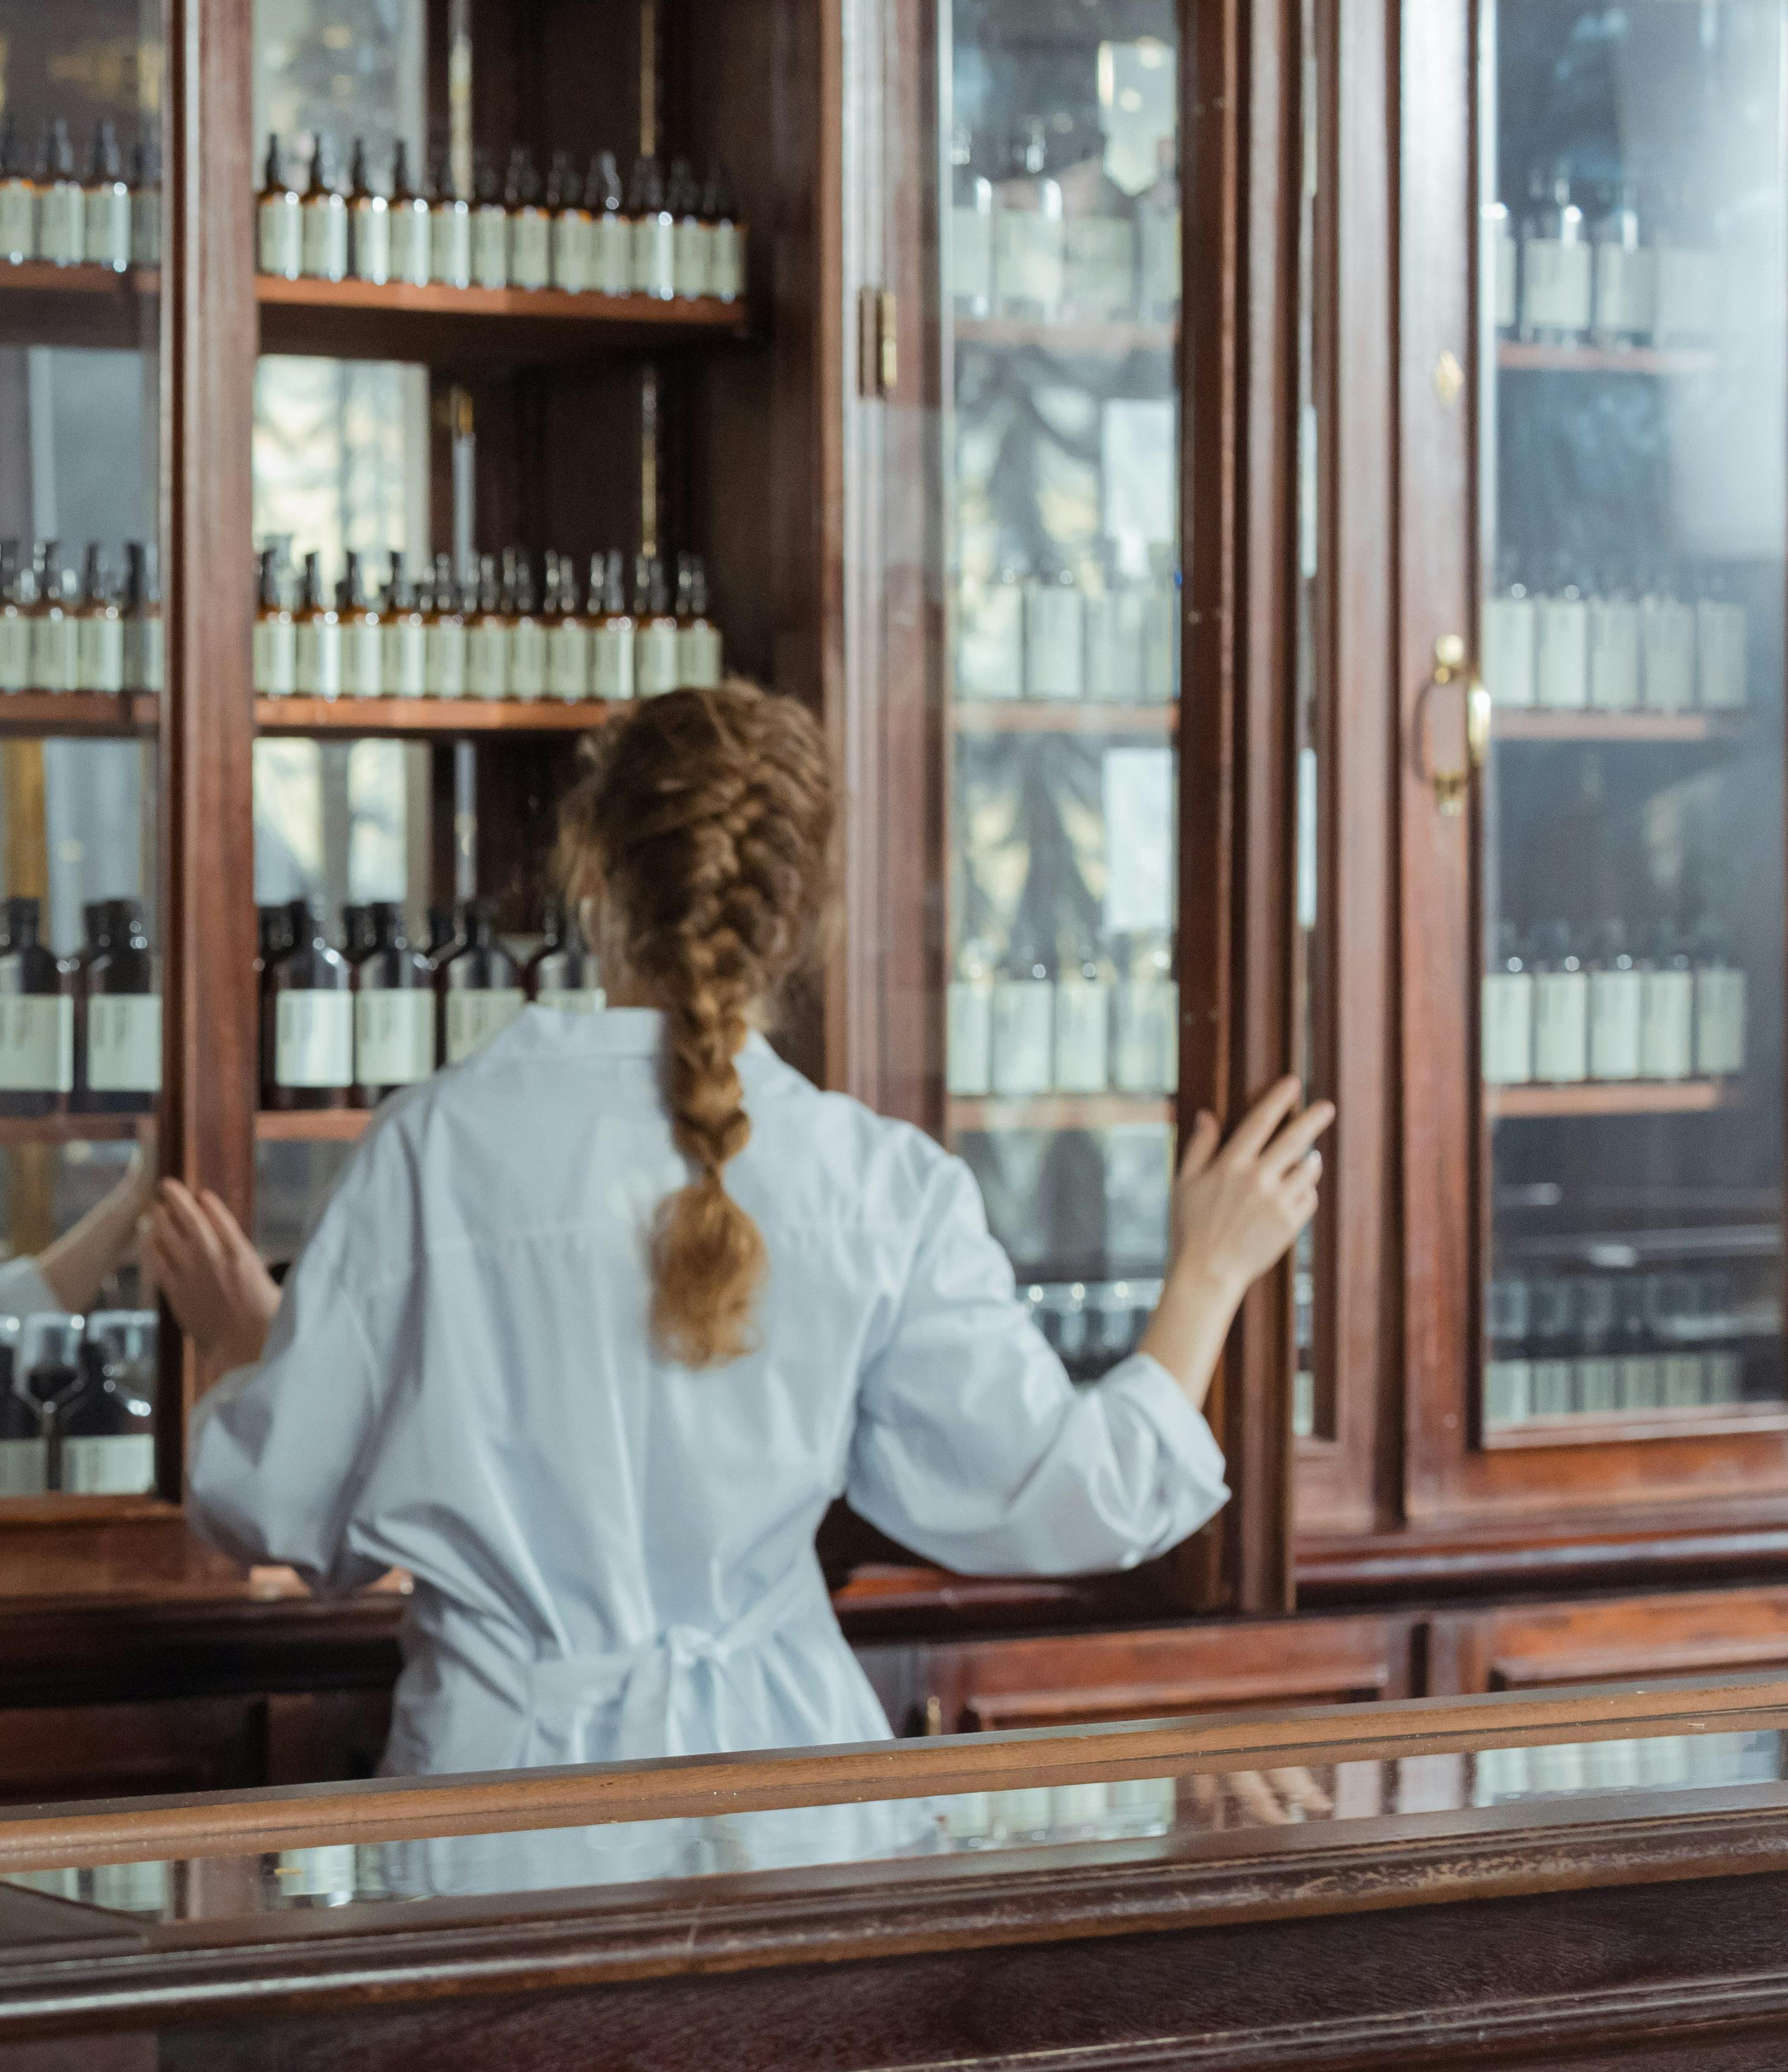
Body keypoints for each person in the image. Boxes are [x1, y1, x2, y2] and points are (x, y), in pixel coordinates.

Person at [144, 683, 1326, 1882]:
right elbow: (1060, 1493)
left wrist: (253, 1348)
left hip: (503, 1820)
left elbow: (280, 1507)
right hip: (794, 1803)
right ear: (804, 921)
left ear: (589, 876)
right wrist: (1211, 1273)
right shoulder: (877, 1185)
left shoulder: (435, 1149)